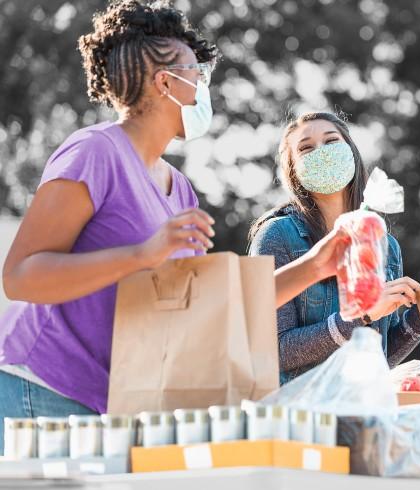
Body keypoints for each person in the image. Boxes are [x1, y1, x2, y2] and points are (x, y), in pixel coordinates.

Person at [0, 0, 345, 451]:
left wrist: (316, 266)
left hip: (111, 405)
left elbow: (203, 310)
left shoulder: (180, 190)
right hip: (41, 386)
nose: (203, 84)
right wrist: (142, 255)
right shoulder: (93, 153)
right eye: (195, 71)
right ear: (165, 82)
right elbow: (20, 277)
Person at [249, 111, 420, 384]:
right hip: (300, 415)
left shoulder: (386, 247)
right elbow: (273, 351)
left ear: (352, 153)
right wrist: (362, 316)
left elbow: (379, 357)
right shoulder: (277, 236)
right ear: (293, 171)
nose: (321, 152)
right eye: (306, 148)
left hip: (362, 411)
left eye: (331, 141)